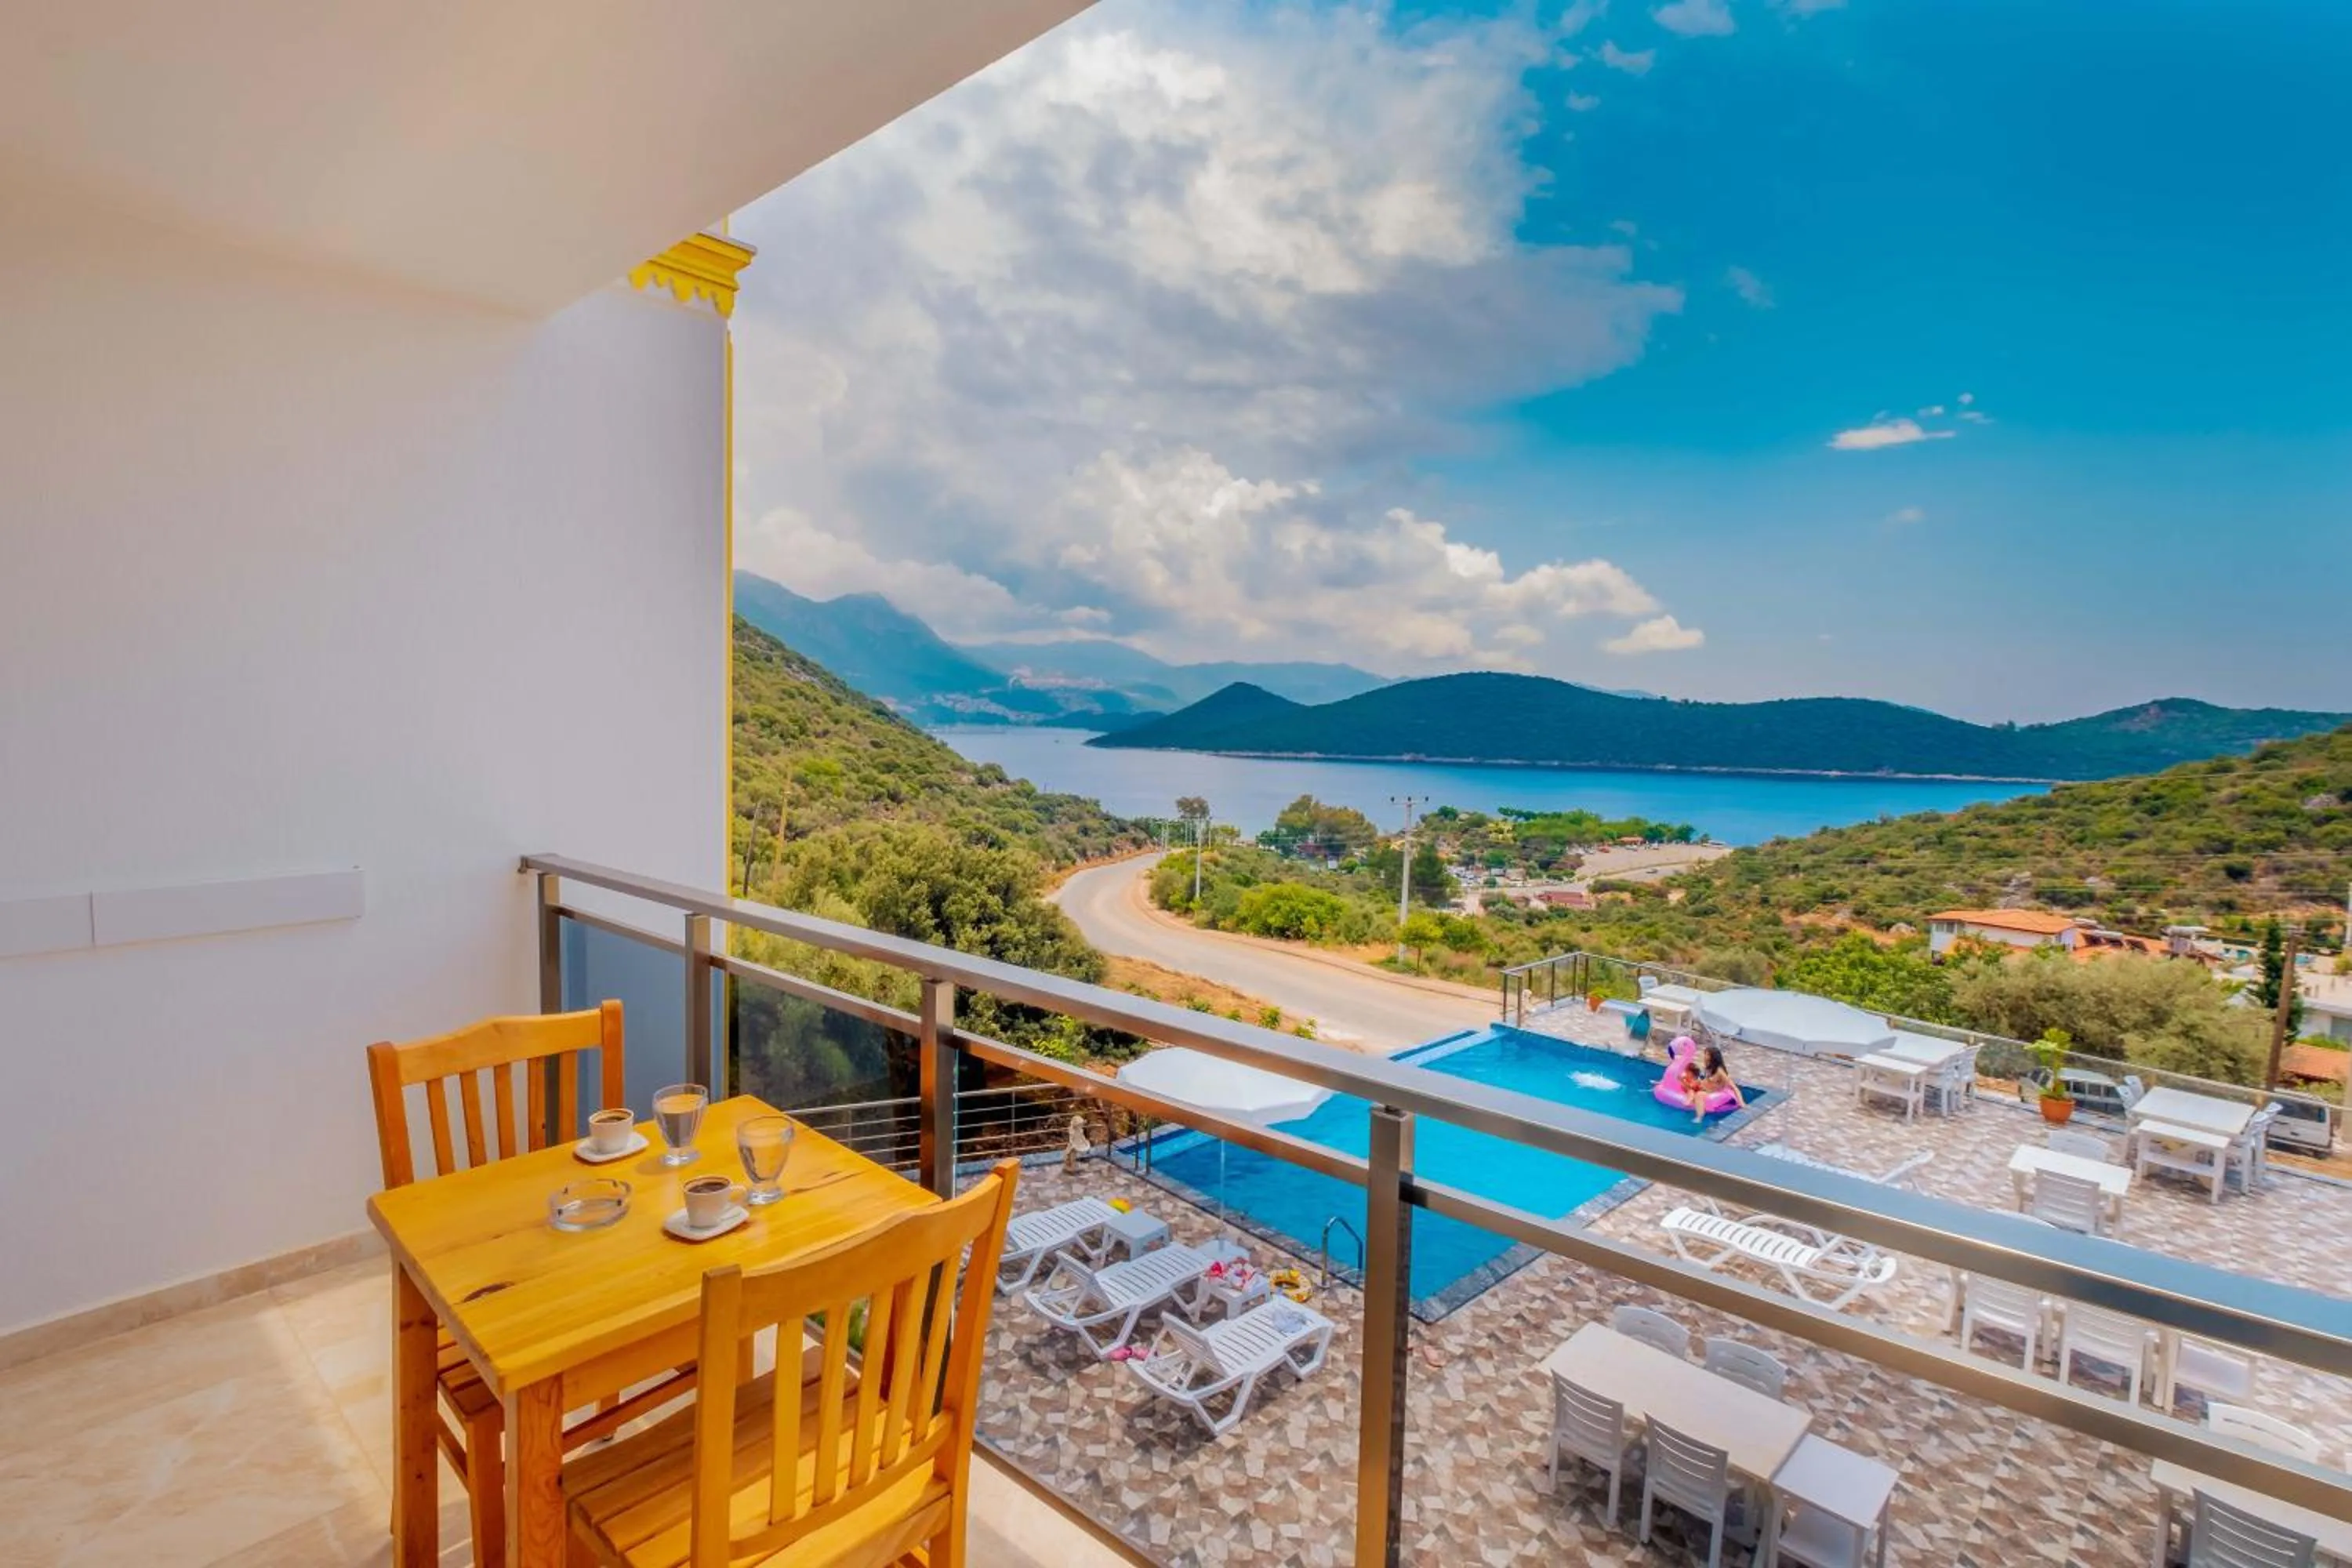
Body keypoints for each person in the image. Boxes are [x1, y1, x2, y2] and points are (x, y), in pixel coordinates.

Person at [1693, 1044, 1746, 1121]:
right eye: (1705, 1054)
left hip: (1715, 1093)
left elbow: (1734, 1087)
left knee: (1699, 1095)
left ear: (1713, 1057)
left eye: (1707, 1054)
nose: (1704, 1056)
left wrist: (1742, 1103)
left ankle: (1699, 1118)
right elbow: (1706, 1080)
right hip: (1707, 1089)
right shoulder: (1708, 1067)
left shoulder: (1720, 1071)